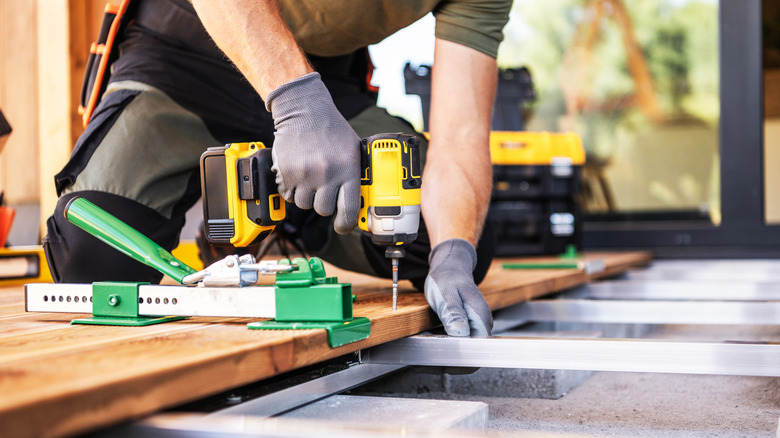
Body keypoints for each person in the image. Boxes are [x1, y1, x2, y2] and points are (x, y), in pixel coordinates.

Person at [43, 0, 512, 337]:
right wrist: (296, 104)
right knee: (93, 262)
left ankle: (284, 206)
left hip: (323, 75)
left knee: (448, 236)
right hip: (186, 45)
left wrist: (454, 253)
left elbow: (462, 133)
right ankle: (271, 186)